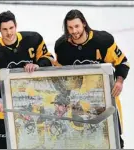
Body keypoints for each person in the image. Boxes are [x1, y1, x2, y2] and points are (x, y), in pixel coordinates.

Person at [54, 9, 130, 148]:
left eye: (77, 26)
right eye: (70, 27)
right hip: (78, 104)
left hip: (105, 102)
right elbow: (62, 79)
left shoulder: (103, 40)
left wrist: (119, 81)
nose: (74, 31)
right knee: (81, 142)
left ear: (83, 24)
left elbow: (122, 62)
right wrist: (62, 101)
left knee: (114, 141)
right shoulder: (62, 46)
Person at [0, 10, 54, 149]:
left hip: (32, 104)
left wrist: (38, 65)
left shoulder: (33, 39)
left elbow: (49, 58)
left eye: (11, 28)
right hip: (4, 106)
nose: (9, 33)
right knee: (3, 146)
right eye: (5, 29)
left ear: (16, 25)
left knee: (35, 144)